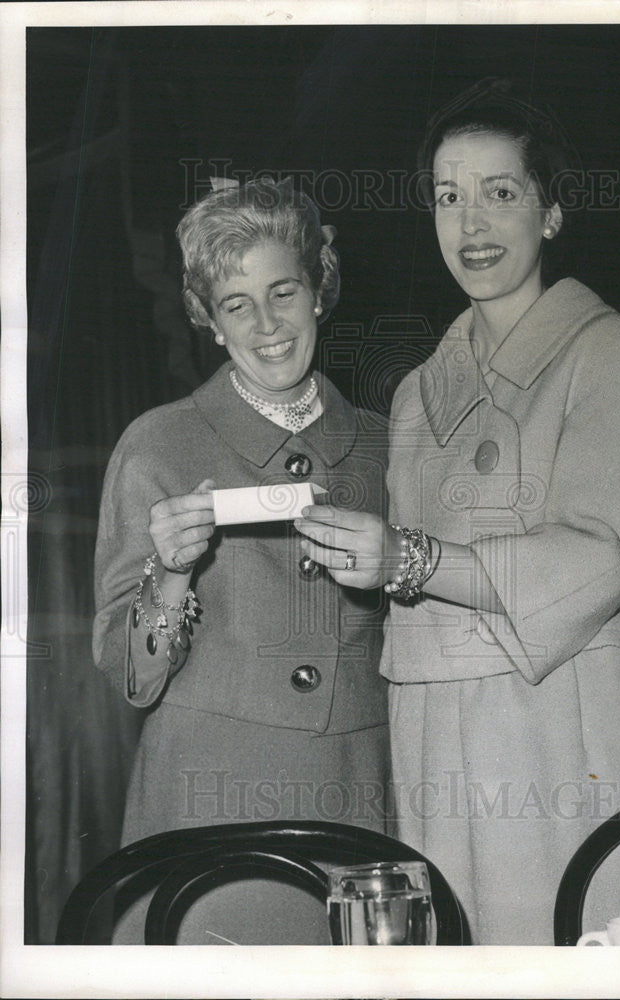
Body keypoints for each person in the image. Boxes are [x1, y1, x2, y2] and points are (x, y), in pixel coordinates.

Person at [295, 79, 620, 944]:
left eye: (500, 193)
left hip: (561, 720)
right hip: (437, 732)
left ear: (551, 214)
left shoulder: (610, 349)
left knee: (579, 940)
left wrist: (407, 559)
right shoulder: (414, 395)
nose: (470, 224)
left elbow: (598, 551)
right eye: (449, 197)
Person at [93, 177, 389, 941]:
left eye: (283, 291)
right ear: (209, 321)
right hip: (205, 801)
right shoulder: (157, 444)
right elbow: (134, 674)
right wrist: (172, 572)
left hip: (356, 801)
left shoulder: (389, 445)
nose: (267, 324)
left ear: (319, 290)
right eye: (236, 304)